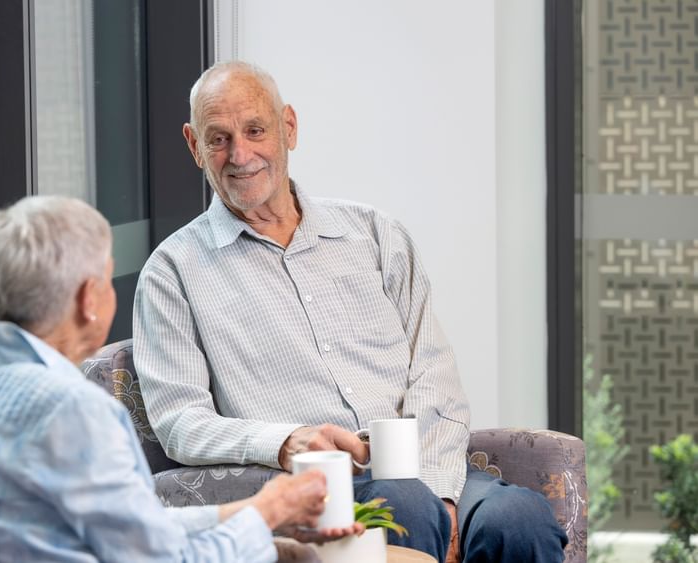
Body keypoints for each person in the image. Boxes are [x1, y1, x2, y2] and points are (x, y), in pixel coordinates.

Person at [133, 61, 569, 563]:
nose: (241, 155)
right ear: (194, 146)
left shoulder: (376, 234)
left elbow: (435, 374)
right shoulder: (173, 271)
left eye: (255, 130)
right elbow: (179, 422)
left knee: (519, 520)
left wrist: (442, 494)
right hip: (318, 493)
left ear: (288, 128)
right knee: (405, 504)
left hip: (430, 473)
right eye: (219, 139)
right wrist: (285, 441)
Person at [0, 195, 361, 562]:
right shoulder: (72, 409)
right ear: (88, 300)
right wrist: (265, 516)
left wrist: (258, 508)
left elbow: (134, 526)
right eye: (107, 278)